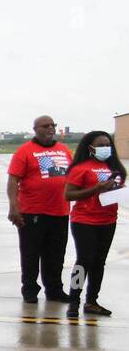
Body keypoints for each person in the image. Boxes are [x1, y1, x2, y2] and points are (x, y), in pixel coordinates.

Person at [6, 115, 73, 303]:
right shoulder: (24, 151)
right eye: (46, 126)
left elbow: (71, 176)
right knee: (31, 254)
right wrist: (14, 207)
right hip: (32, 212)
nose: (50, 128)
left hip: (59, 211)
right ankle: (29, 289)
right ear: (36, 129)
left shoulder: (64, 150)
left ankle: (54, 290)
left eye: (53, 125)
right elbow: (13, 181)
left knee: (56, 254)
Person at [62, 131, 125, 318]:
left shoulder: (115, 168)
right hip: (85, 221)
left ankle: (92, 301)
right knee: (84, 261)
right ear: (90, 148)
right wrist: (95, 189)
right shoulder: (80, 168)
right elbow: (69, 195)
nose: (105, 148)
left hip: (108, 221)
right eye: (100, 145)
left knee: (99, 263)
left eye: (108, 145)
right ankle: (74, 301)